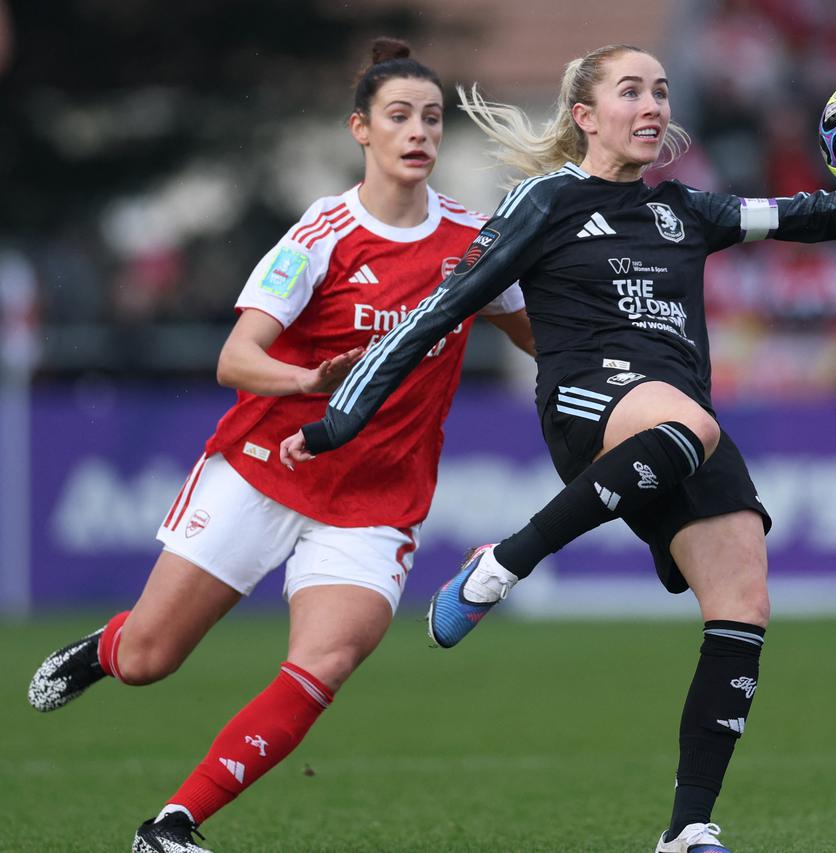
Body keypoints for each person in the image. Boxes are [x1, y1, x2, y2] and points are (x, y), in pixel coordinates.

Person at [286, 43, 836, 853]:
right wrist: (338, 419)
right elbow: (440, 309)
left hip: (669, 423)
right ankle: (505, 562)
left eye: (661, 92)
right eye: (630, 91)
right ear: (584, 115)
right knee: (697, 426)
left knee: (743, 595)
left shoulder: (685, 211)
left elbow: (811, 211)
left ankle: (687, 827)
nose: (651, 107)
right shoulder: (545, 201)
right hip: (587, 404)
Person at [27, 38, 534, 853]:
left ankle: (171, 824)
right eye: (398, 116)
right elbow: (235, 357)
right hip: (266, 467)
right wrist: (305, 383)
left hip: (375, 500)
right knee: (152, 657)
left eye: (431, 119)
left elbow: (538, 337)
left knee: (326, 660)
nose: (418, 132)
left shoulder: (477, 245)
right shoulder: (322, 232)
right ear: (359, 130)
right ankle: (106, 647)